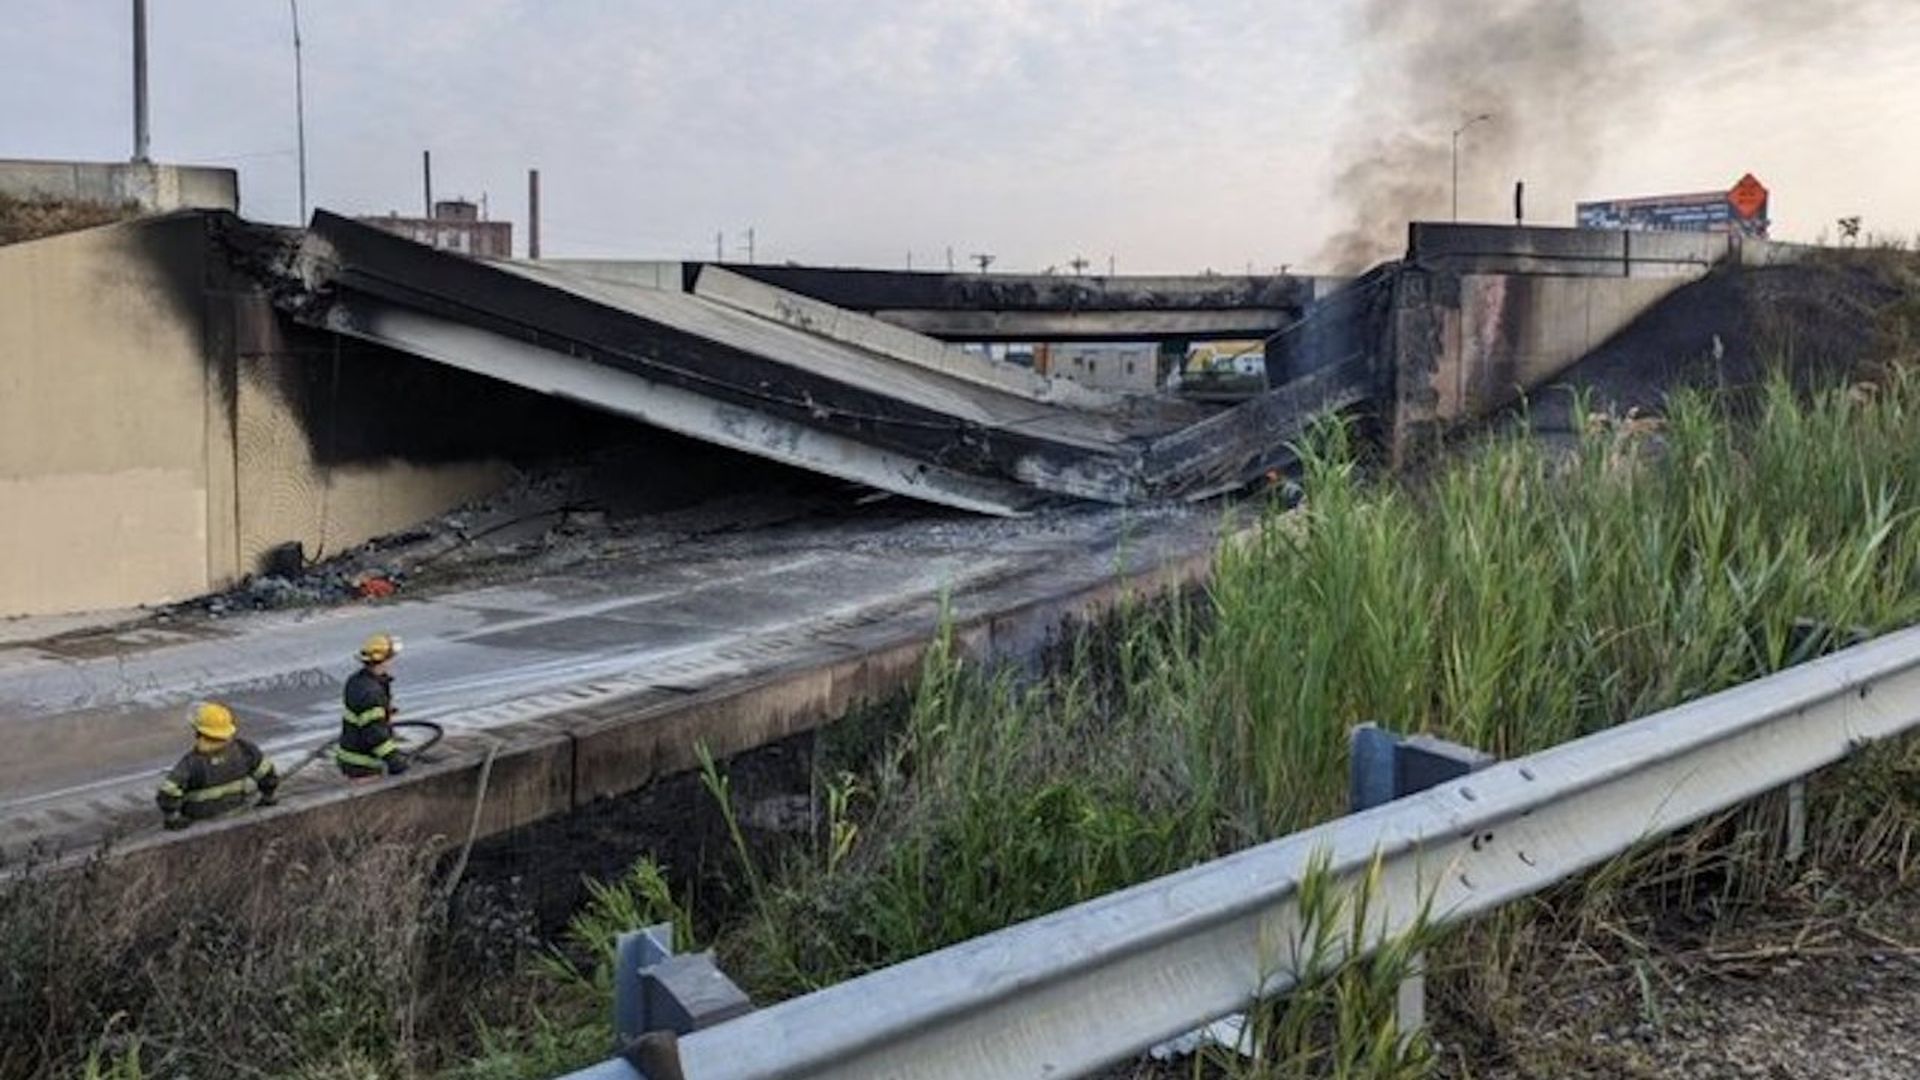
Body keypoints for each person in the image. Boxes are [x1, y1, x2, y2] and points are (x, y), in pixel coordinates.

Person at [155, 701, 279, 830]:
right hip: (239, 808)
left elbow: (168, 792)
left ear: (200, 732)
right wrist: (268, 796)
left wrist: (172, 817)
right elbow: (267, 774)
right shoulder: (244, 750)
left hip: (199, 817)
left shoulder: (192, 762)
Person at [337, 632, 410, 779]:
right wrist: (394, 760)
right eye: (391, 657)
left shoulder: (357, 681)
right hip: (363, 763)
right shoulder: (371, 693)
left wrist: (383, 712)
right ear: (384, 660)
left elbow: (364, 716)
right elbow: (375, 734)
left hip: (350, 753)